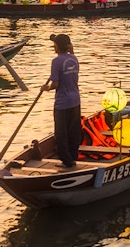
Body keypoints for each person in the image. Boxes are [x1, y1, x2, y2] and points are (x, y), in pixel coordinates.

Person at [41, 34, 81, 170]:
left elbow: (56, 84)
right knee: (73, 131)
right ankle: (73, 157)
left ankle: (66, 161)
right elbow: (71, 51)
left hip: (62, 103)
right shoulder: (74, 59)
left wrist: (46, 88)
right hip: (75, 101)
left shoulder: (56, 61)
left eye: (54, 45)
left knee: (61, 133)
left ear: (56, 46)